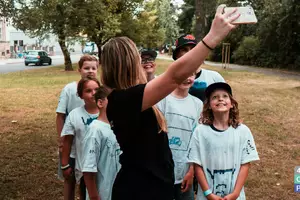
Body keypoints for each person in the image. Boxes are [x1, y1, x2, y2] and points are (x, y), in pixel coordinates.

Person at [100, 5, 239, 200]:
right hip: (140, 191)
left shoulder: (129, 98)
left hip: (151, 188)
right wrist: (212, 37)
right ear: (130, 62)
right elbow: (174, 76)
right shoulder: (123, 99)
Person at [187, 82, 260, 200]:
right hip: (207, 196)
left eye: (225, 96)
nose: (220, 99)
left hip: (235, 196)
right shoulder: (200, 132)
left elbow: (245, 164)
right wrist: (208, 194)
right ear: (209, 105)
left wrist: (235, 194)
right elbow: (197, 165)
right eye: (215, 97)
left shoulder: (243, 131)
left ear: (232, 104)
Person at [56, 55, 99, 200]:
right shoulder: (69, 89)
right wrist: (62, 141)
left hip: (89, 147)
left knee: (87, 182)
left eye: (93, 68)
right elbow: (60, 115)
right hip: (72, 147)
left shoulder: (98, 90)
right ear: (79, 70)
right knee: (70, 179)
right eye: (86, 68)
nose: (90, 71)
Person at [157, 73, 203, 200]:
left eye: (191, 74)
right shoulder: (163, 100)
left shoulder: (198, 104)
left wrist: (191, 171)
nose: (187, 78)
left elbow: (197, 141)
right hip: (162, 171)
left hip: (185, 171)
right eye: (184, 73)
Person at [82, 86, 121, 200]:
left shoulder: (118, 127)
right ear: (100, 103)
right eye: (113, 100)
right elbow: (89, 170)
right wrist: (94, 196)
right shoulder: (95, 130)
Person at [172, 34, 225, 102]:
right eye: (184, 50)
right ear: (177, 56)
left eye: (193, 49)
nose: (190, 52)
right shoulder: (170, 81)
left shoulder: (215, 78)